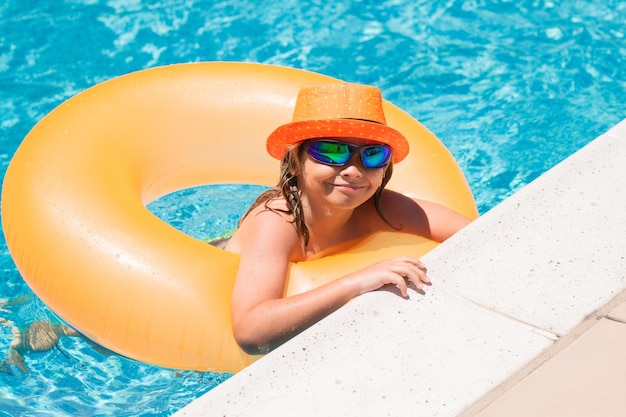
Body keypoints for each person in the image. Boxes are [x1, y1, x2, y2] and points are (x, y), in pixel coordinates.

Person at [224, 82, 471, 355]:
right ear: (296, 160)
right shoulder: (275, 222)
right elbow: (250, 332)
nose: (353, 170)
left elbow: (481, 235)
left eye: (373, 154)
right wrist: (357, 281)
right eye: (331, 150)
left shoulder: (381, 209)